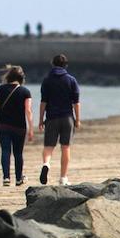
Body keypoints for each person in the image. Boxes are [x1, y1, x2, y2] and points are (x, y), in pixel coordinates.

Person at [38, 54, 80, 186]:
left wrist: (40, 119)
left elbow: (43, 102)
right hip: (67, 117)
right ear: (65, 65)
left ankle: (46, 163)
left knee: (49, 146)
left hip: (51, 118)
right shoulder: (71, 80)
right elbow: (76, 102)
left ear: (53, 64)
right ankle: (63, 177)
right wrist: (77, 119)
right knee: (65, 147)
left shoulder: (47, 80)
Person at [0, 66, 34, 187]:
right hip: (19, 127)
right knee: (18, 153)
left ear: (8, 77)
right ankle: (19, 179)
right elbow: (28, 111)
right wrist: (31, 129)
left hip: (3, 126)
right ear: (21, 78)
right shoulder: (25, 91)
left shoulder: (1, 89)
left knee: (5, 150)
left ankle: (6, 178)